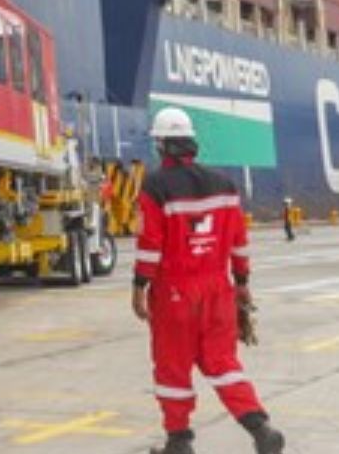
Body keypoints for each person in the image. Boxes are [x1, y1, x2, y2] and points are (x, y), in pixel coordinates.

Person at [133, 108, 285, 454]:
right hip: (219, 290)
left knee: (173, 367)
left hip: (174, 292)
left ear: (161, 145)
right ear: (191, 143)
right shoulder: (225, 185)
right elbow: (239, 240)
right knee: (223, 363)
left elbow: (150, 246)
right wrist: (242, 280)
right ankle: (260, 428)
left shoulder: (156, 186)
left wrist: (139, 287)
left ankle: (179, 442)